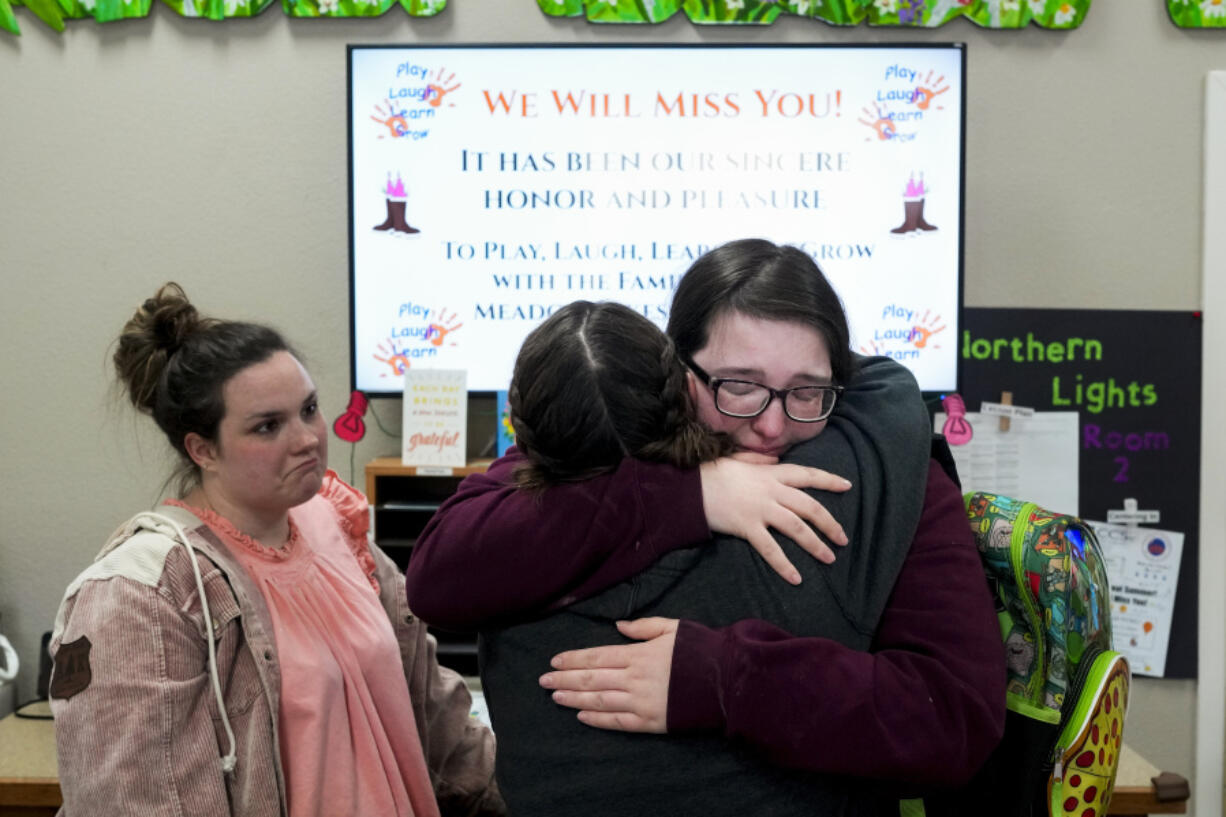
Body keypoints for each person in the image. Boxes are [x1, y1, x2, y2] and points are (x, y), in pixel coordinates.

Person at [405, 239, 1005, 815]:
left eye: (809, 391)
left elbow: (953, 718)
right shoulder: (609, 436)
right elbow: (442, 574)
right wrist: (689, 495)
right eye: (739, 386)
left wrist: (728, 677)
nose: (772, 425)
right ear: (675, 373)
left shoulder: (889, 474)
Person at [49, 284, 504, 817]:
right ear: (202, 449)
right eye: (268, 426)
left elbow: (439, 726)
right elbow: (139, 801)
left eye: (308, 409)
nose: (307, 438)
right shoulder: (144, 593)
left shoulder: (338, 528)